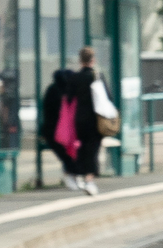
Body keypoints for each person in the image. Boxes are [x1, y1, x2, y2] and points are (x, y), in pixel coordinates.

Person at [39, 47, 112, 196]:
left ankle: (76, 175)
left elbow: (68, 99)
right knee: (92, 151)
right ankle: (89, 181)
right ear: (93, 60)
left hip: (78, 121)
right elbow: (108, 97)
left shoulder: (74, 78)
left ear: (80, 61)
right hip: (95, 120)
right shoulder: (97, 76)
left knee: (81, 149)